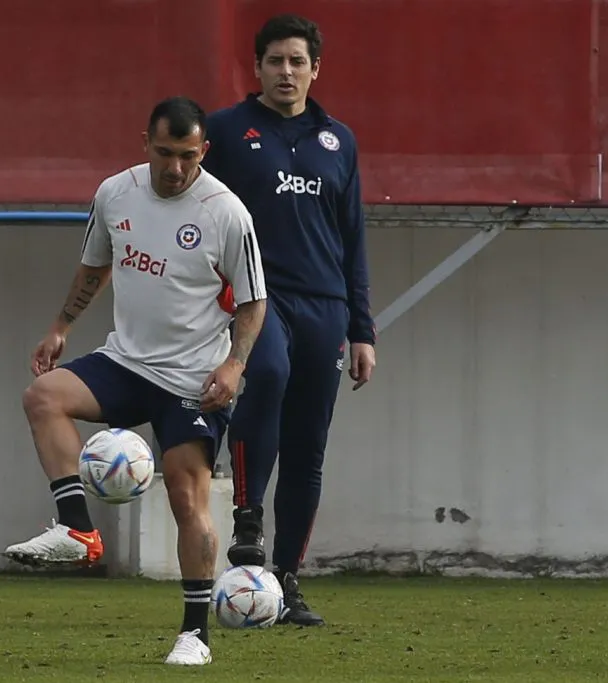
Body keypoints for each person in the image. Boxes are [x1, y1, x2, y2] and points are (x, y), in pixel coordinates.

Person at [3, 95, 268, 666]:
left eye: (188, 156)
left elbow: (254, 303)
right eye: (165, 153)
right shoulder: (115, 193)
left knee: (184, 490)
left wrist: (234, 365)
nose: (175, 168)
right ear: (144, 143)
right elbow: (95, 266)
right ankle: (78, 532)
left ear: (205, 151)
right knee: (42, 396)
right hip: (126, 362)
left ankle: (194, 635)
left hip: (194, 378)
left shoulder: (226, 213)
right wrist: (61, 328)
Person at [200, 14, 376, 627]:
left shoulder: (339, 141)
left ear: (315, 69)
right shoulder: (224, 131)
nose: (286, 71)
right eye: (275, 61)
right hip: (255, 298)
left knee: (308, 449)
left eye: (298, 61)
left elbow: (353, 236)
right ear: (257, 69)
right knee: (266, 371)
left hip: (325, 306)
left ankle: (287, 580)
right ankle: (247, 522)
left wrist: (363, 330)